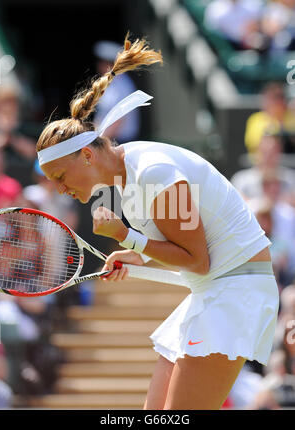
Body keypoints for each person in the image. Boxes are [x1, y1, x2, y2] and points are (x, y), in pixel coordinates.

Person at [35, 34, 279, 410]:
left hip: (234, 293)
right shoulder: (127, 172)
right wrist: (138, 256)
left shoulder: (154, 173)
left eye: (61, 178)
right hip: (212, 291)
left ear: (86, 156)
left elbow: (198, 260)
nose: (62, 190)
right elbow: (187, 251)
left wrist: (127, 238)